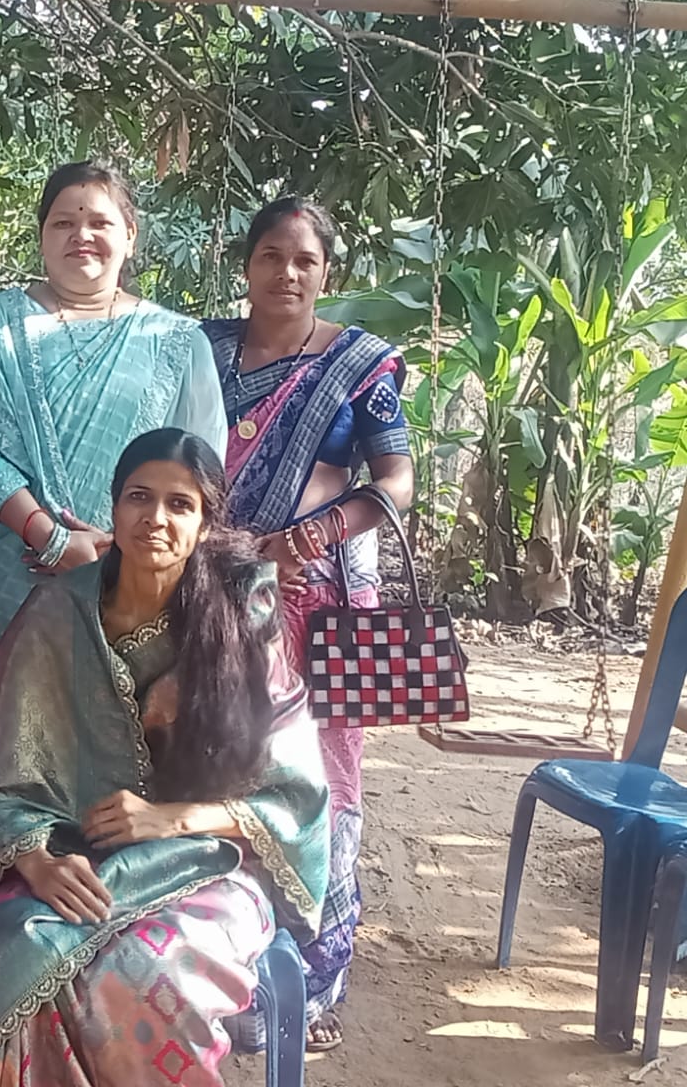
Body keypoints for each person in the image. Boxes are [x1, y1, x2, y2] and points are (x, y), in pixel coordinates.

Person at [0, 429, 329, 1087]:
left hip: (214, 861)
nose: (156, 518)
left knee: (144, 969)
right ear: (113, 507)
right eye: (139, 497)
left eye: (180, 504)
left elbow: (294, 793)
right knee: (29, 958)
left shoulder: (243, 614)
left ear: (205, 523)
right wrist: (36, 860)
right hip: (75, 854)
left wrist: (172, 818)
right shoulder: (58, 612)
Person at [201, 196, 414, 1052]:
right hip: (212, 593)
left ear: (327, 272)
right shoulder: (202, 350)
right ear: (247, 264)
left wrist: (312, 535)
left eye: (305, 260)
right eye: (271, 256)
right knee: (219, 767)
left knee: (322, 777)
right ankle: (219, 966)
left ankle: (313, 980)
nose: (287, 273)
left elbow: (395, 481)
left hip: (319, 603)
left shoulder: (360, 366)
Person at [0, 160, 227, 697]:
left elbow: (198, 471)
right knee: (4, 731)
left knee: (121, 730)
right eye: (64, 223)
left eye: (99, 222)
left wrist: (123, 551)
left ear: (130, 235)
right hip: (6, 565)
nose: (81, 235)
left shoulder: (178, 342)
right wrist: (50, 539)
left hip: (135, 571)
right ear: (42, 236)